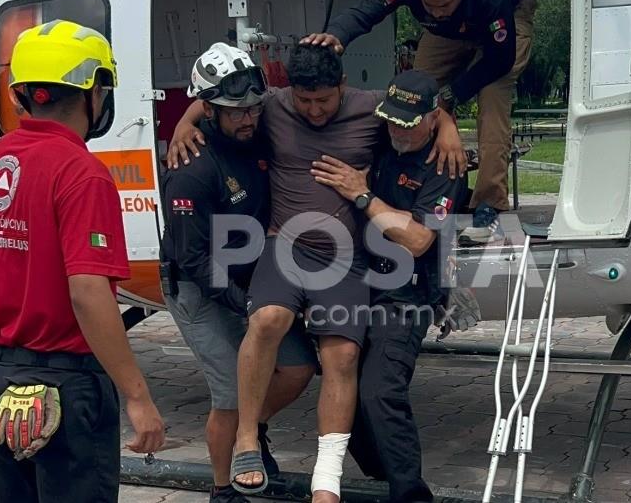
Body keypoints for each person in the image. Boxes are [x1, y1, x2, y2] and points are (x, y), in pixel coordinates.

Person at [165, 44, 464, 502]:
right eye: (304, 101)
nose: (313, 110)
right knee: (267, 319)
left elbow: (418, 108)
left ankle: (326, 484)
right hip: (282, 242)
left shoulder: (372, 109)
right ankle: (247, 439)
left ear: (343, 87)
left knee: (340, 357)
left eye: (323, 100)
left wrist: (447, 127)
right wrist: (186, 122)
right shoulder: (273, 106)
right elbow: (217, 100)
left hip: (345, 258)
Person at [0, 19, 165, 503]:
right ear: (95, 92)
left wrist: (3, 339)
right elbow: (88, 290)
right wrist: (136, 395)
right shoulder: (82, 173)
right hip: (67, 389)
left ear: (22, 94)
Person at [159, 43, 317, 503]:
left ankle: (251, 433)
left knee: (298, 367)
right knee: (230, 392)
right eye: (235, 112)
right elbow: (193, 260)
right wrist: (244, 305)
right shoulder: (191, 168)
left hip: (251, 279)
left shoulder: (257, 135)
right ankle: (222, 488)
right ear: (209, 109)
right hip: (199, 287)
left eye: (253, 108)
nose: (248, 119)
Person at [303, 0, 536, 245]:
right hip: (449, 34)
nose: (437, 12)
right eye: (429, 4)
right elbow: (367, 10)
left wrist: (447, 102)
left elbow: (499, 60)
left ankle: (489, 204)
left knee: (492, 99)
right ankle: (402, 183)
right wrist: (336, 34)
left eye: (443, 4)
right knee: (412, 91)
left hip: (504, 22)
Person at [310, 70, 467, 502]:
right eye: (391, 119)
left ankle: (410, 494)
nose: (398, 128)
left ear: (433, 118)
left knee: (381, 391)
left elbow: (418, 240)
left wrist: (363, 196)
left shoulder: (445, 164)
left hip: (408, 291)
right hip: (357, 280)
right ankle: (380, 473)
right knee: (342, 388)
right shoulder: (384, 133)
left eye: (409, 121)